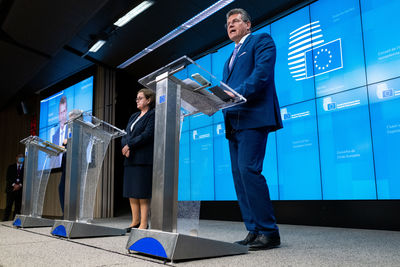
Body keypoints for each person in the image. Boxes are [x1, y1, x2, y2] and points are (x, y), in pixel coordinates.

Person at [222, 8, 283, 250]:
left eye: (235, 21)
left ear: (248, 24)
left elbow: (262, 75)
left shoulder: (262, 40)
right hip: (234, 121)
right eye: (228, 23)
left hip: (254, 117)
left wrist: (235, 95)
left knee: (249, 170)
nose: (231, 25)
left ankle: (269, 232)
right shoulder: (229, 58)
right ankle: (253, 230)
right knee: (240, 178)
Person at [121, 88, 155, 231]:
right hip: (130, 158)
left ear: (148, 100)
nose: (137, 101)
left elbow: (147, 134)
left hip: (142, 158)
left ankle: (143, 223)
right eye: (137, 98)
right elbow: (125, 134)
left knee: (142, 192)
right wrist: (125, 146)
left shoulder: (152, 114)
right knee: (132, 192)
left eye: (140, 98)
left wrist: (130, 145)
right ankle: (135, 221)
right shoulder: (134, 116)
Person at [3, 153, 24, 221]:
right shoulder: (11, 167)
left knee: (18, 207)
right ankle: (5, 220)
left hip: (20, 191)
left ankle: (15, 221)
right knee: (8, 206)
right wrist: (14, 185)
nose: (21, 158)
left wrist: (20, 185)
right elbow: (8, 177)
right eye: (20, 156)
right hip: (11, 189)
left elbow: (26, 178)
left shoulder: (25, 168)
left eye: (22, 157)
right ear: (16, 157)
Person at [52, 95, 68, 168]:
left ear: (66, 111)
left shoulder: (71, 131)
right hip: (59, 169)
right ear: (58, 114)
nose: (63, 115)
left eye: (64, 111)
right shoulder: (54, 136)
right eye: (61, 113)